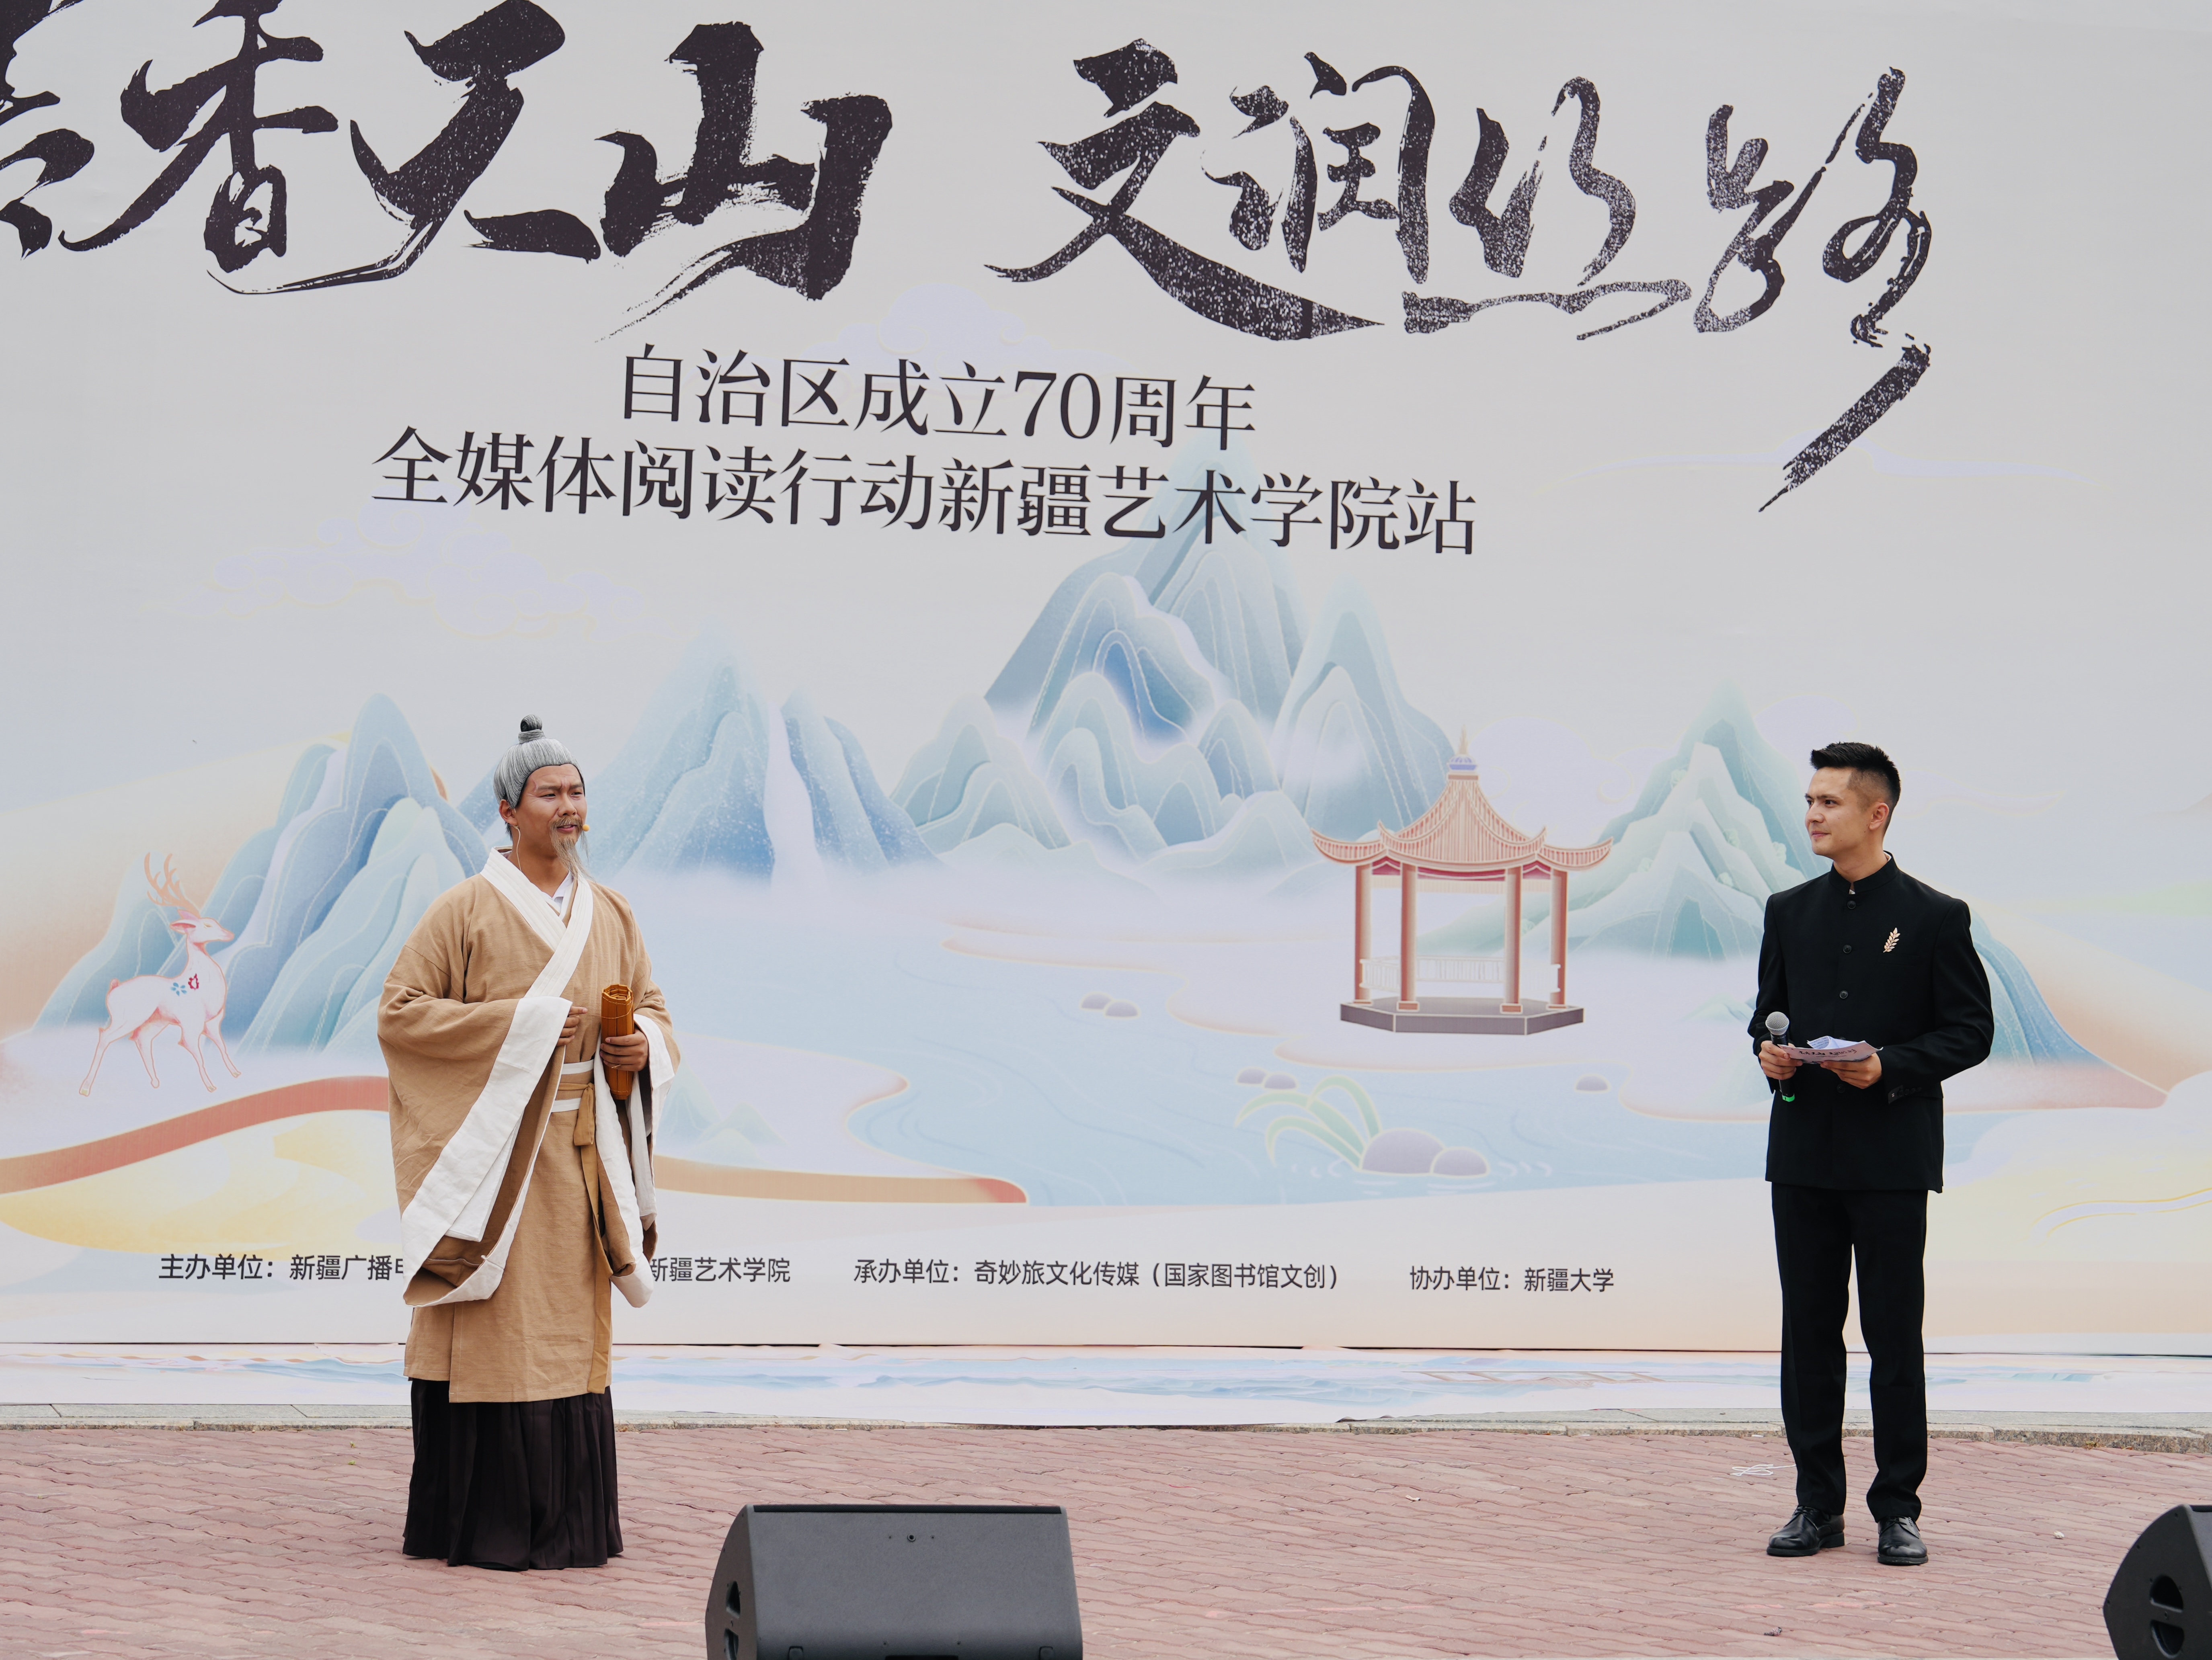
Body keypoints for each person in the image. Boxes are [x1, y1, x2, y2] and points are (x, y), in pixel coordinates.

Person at [379, 715, 677, 1570]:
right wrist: (529, 1026)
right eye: (550, 794)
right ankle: (482, 1522)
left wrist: (641, 1046)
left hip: (581, 1153)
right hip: (495, 1161)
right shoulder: (464, 909)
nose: (568, 806)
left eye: (577, 791)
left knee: (566, 1331)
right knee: (491, 1321)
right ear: (508, 810)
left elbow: (653, 1008)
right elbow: (401, 1015)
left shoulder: (610, 910)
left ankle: (568, 1523)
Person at [1750, 741, 1992, 1568]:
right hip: (1802, 1155)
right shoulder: (1787, 910)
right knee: (1809, 1334)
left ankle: (1898, 1509)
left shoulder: (1935, 916)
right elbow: (1766, 1015)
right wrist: (1769, 1054)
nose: (1812, 815)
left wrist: (1889, 1065)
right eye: (1810, 800)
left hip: (1891, 1156)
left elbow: (1970, 1031)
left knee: (1893, 1335)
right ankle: (1816, 1506)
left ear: (1876, 813)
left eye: (1829, 802)